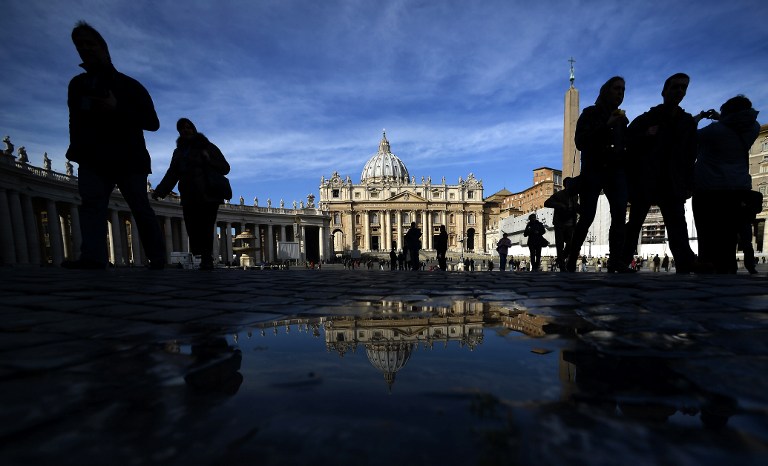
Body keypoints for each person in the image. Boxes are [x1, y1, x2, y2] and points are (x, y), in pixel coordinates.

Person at [62, 21, 165, 270]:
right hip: (93, 157)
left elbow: (152, 122)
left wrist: (117, 108)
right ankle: (93, 258)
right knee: (92, 206)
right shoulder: (77, 85)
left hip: (129, 157)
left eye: (90, 43)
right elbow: (74, 120)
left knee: (140, 208)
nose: (85, 48)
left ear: (104, 48)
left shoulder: (130, 85)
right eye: (80, 45)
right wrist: (76, 151)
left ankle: (159, 259)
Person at [621, 73, 698, 274]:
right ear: (665, 91)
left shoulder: (687, 121)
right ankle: (622, 260)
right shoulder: (647, 119)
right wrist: (645, 136)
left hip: (673, 180)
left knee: (677, 225)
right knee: (635, 222)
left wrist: (689, 183)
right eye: (676, 87)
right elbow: (626, 143)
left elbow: (691, 155)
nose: (680, 91)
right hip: (645, 179)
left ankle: (684, 261)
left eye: (683, 88)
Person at [567, 76, 631, 273]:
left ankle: (616, 261)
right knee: (587, 216)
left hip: (616, 171)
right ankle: (571, 258)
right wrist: (607, 125)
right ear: (606, 91)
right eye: (616, 89)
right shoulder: (590, 114)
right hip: (594, 170)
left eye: (623, 89)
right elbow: (580, 142)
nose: (620, 93)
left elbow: (625, 145)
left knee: (620, 214)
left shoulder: (622, 119)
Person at [693, 95, 761, 274]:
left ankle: (708, 268)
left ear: (728, 113)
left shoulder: (715, 131)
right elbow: (736, 123)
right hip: (738, 188)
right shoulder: (753, 128)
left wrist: (699, 117)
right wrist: (721, 117)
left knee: (707, 234)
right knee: (729, 236)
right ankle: (728, 269)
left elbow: (690, 136)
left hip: (709, 189)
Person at [153, 118, 230, 271]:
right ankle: (203, 255)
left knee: (207, 227)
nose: (186, 130)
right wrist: (160, 190)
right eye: (182, 128)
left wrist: (209, 160)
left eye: (188, 127)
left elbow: (225, 168)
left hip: (208, 194)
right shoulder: (179, 152)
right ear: (179, 132)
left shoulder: (208, 147)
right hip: (189, 195)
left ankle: (207, 258)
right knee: (192, 228)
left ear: (193, 129)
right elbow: (172, 174)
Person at [544, 176, 579, 271]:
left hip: (571, 224)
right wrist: (559, 205)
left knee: (570, 244)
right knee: (559, 245)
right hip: (560, 224)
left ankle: (561, 259)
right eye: (569, 184)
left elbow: (576, 206)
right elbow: (546, 203)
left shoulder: (575, 196)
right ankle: (562, 266)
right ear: (565, 185)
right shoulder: (559, 195)